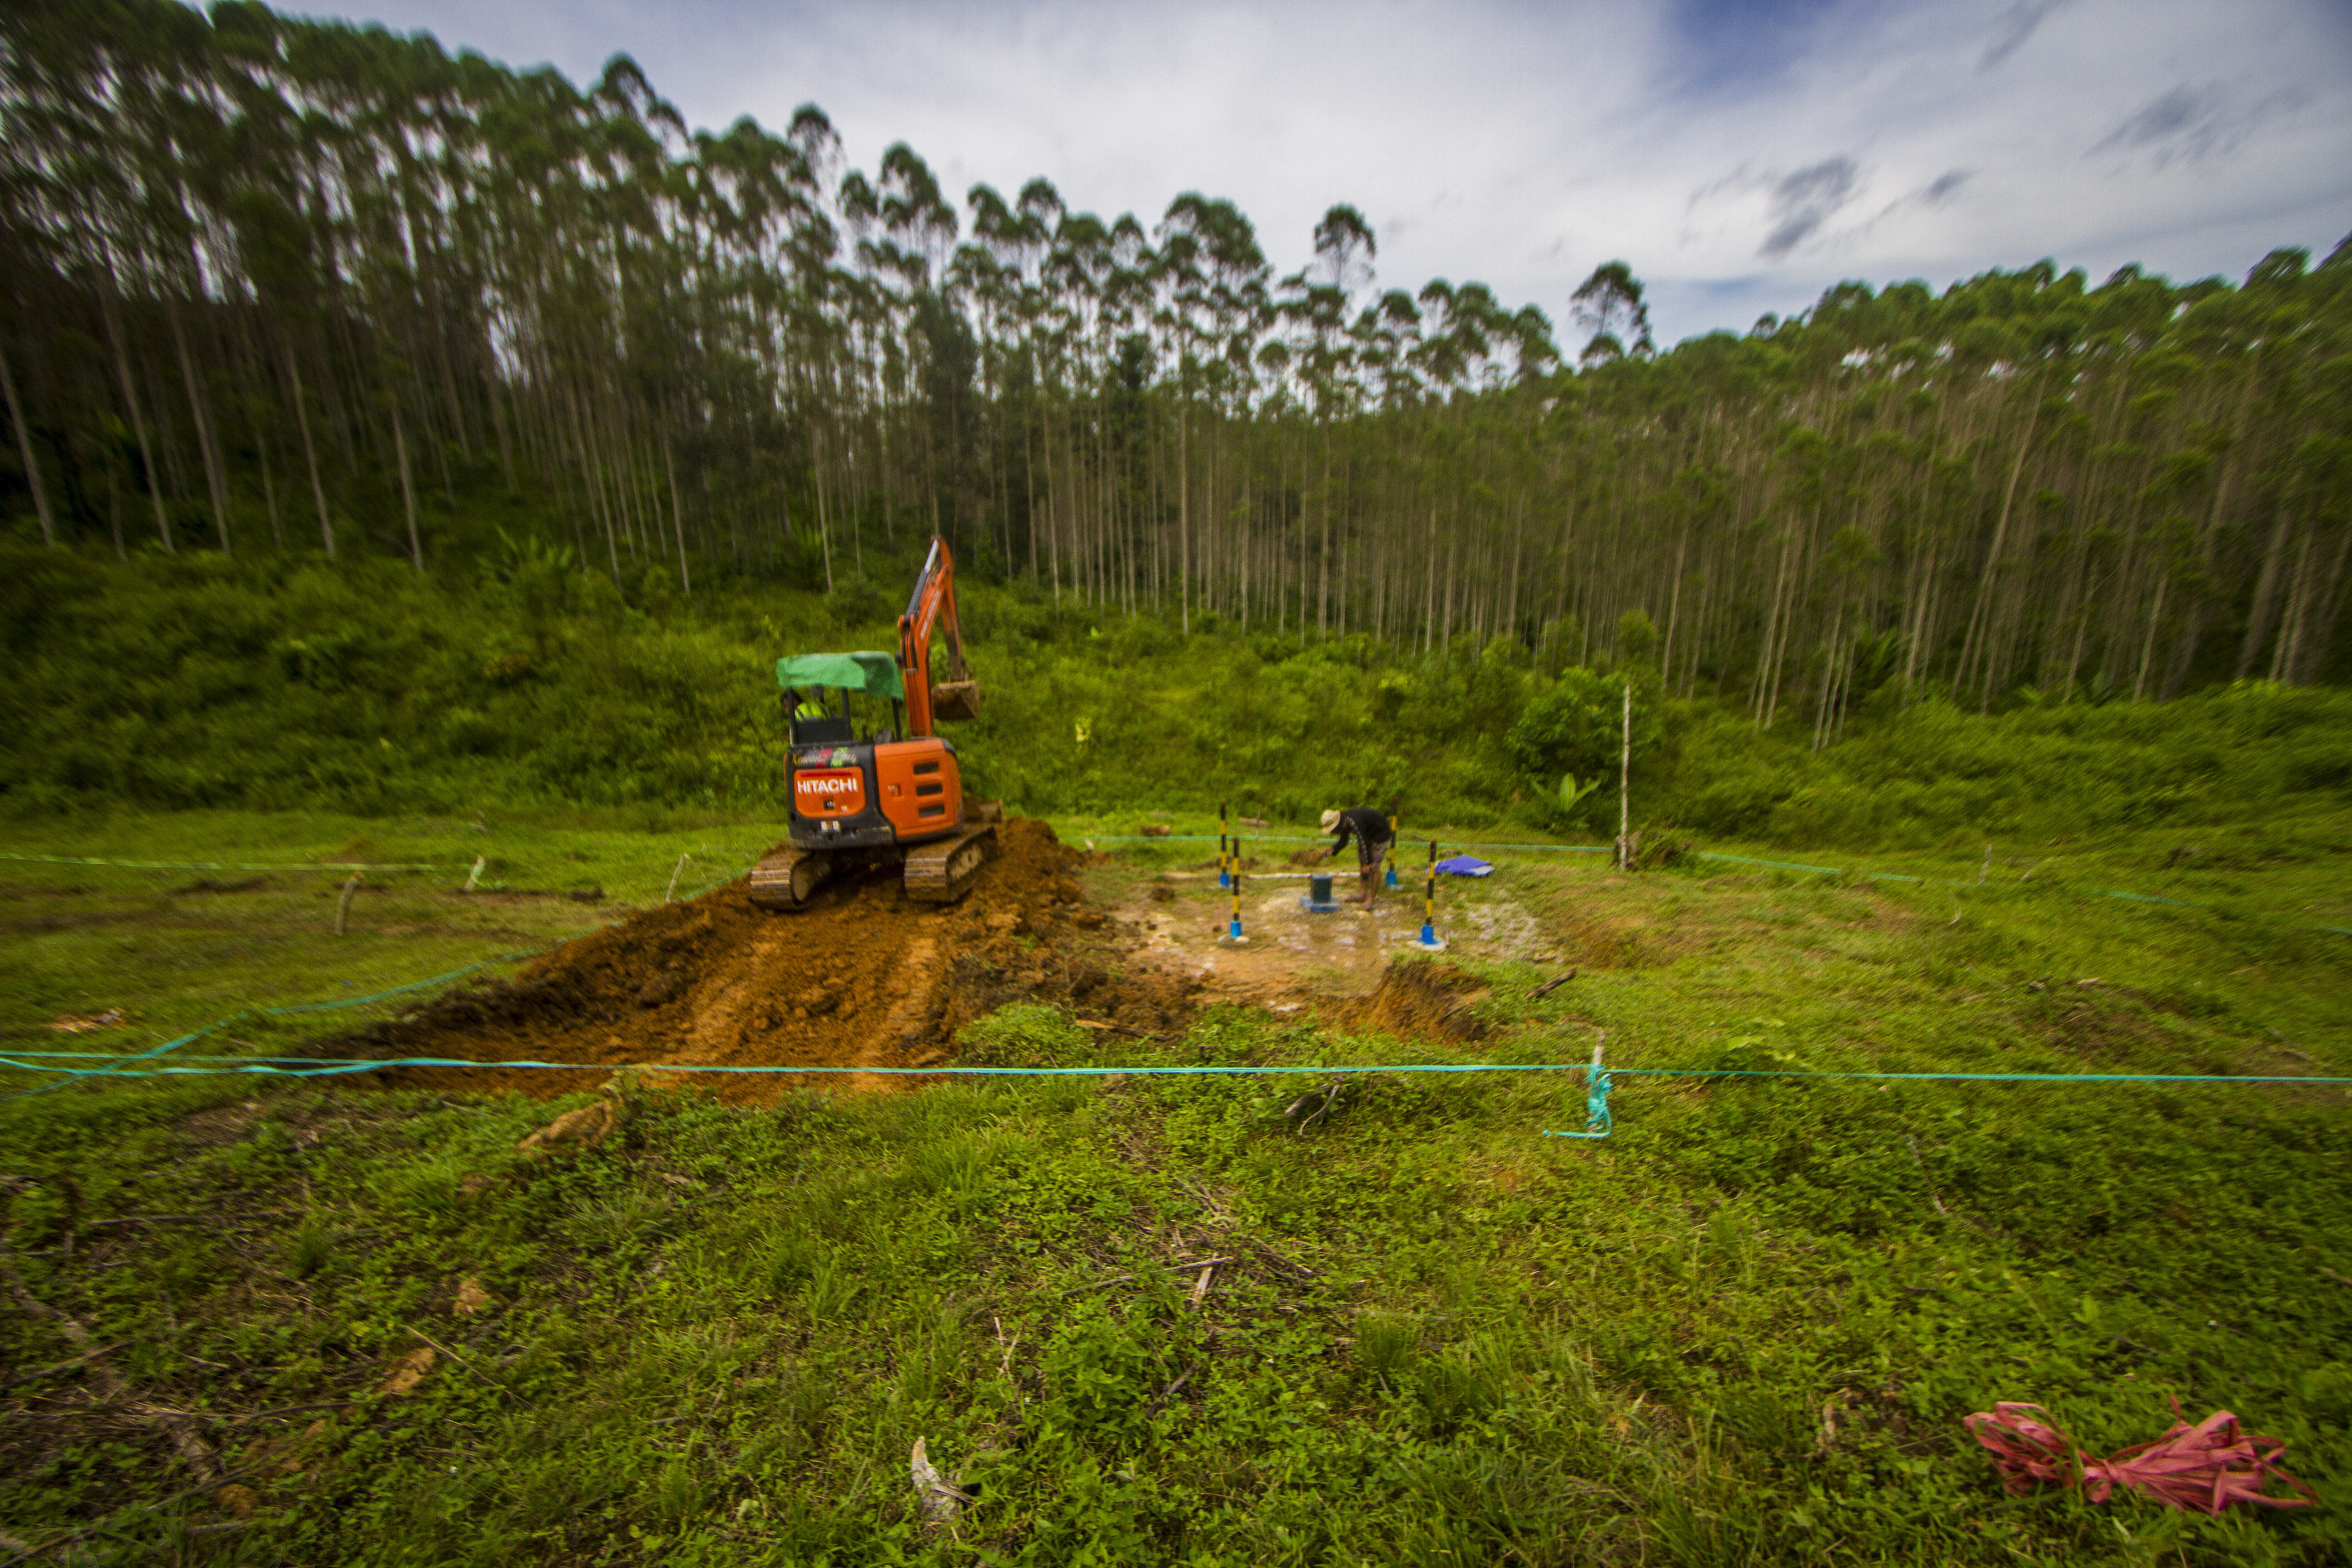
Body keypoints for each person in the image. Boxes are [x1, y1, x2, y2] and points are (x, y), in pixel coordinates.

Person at [1321, 805, 1393, 908]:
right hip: (1368, 835)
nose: (1333, 833)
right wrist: (1332, 850)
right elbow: (1344, 841)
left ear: (1337, 825)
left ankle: (1371, 900)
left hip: (1380, 834)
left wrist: (1369, 863)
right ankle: (1363, 893)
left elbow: (1364, 840)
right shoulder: (1345, 821)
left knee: (1374, 868)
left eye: (1333, 830)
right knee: (1362, 861)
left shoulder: (1354, 821)